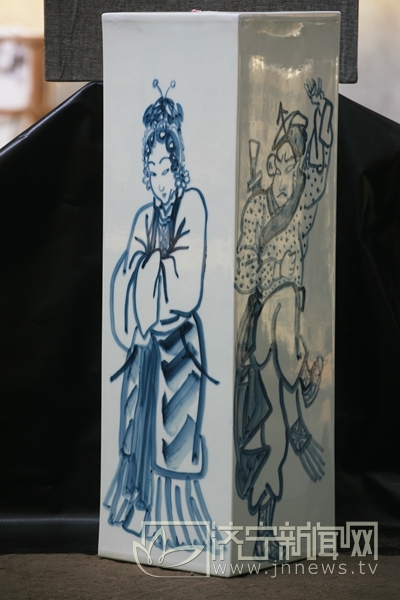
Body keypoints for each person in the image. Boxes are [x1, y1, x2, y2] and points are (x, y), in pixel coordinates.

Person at [104, 80, 214, 549]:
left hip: (180, 348)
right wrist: (151, 267)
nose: (160, 181)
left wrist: (145, 269)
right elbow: (123, 281)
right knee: (140, 433)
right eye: (152, 171)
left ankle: (178, 530)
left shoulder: (193, 205)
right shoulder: (143, 218)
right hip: (147, 350)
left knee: (176, 440)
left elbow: (184, 284)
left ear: (178, 166)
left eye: (166, 169)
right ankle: (142, 524)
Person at [234, 78, 333, 560]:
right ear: (273, 162)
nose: (288, 169)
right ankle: (262, 531)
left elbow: (322, 165)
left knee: (273, 431)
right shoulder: (256, 207)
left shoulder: (303, 209)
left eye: (296, 162)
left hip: (286, 318)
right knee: (262, 435)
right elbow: (243, 269)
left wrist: (322, 111)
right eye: (283, 160)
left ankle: (300, 375)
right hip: (262, 331)